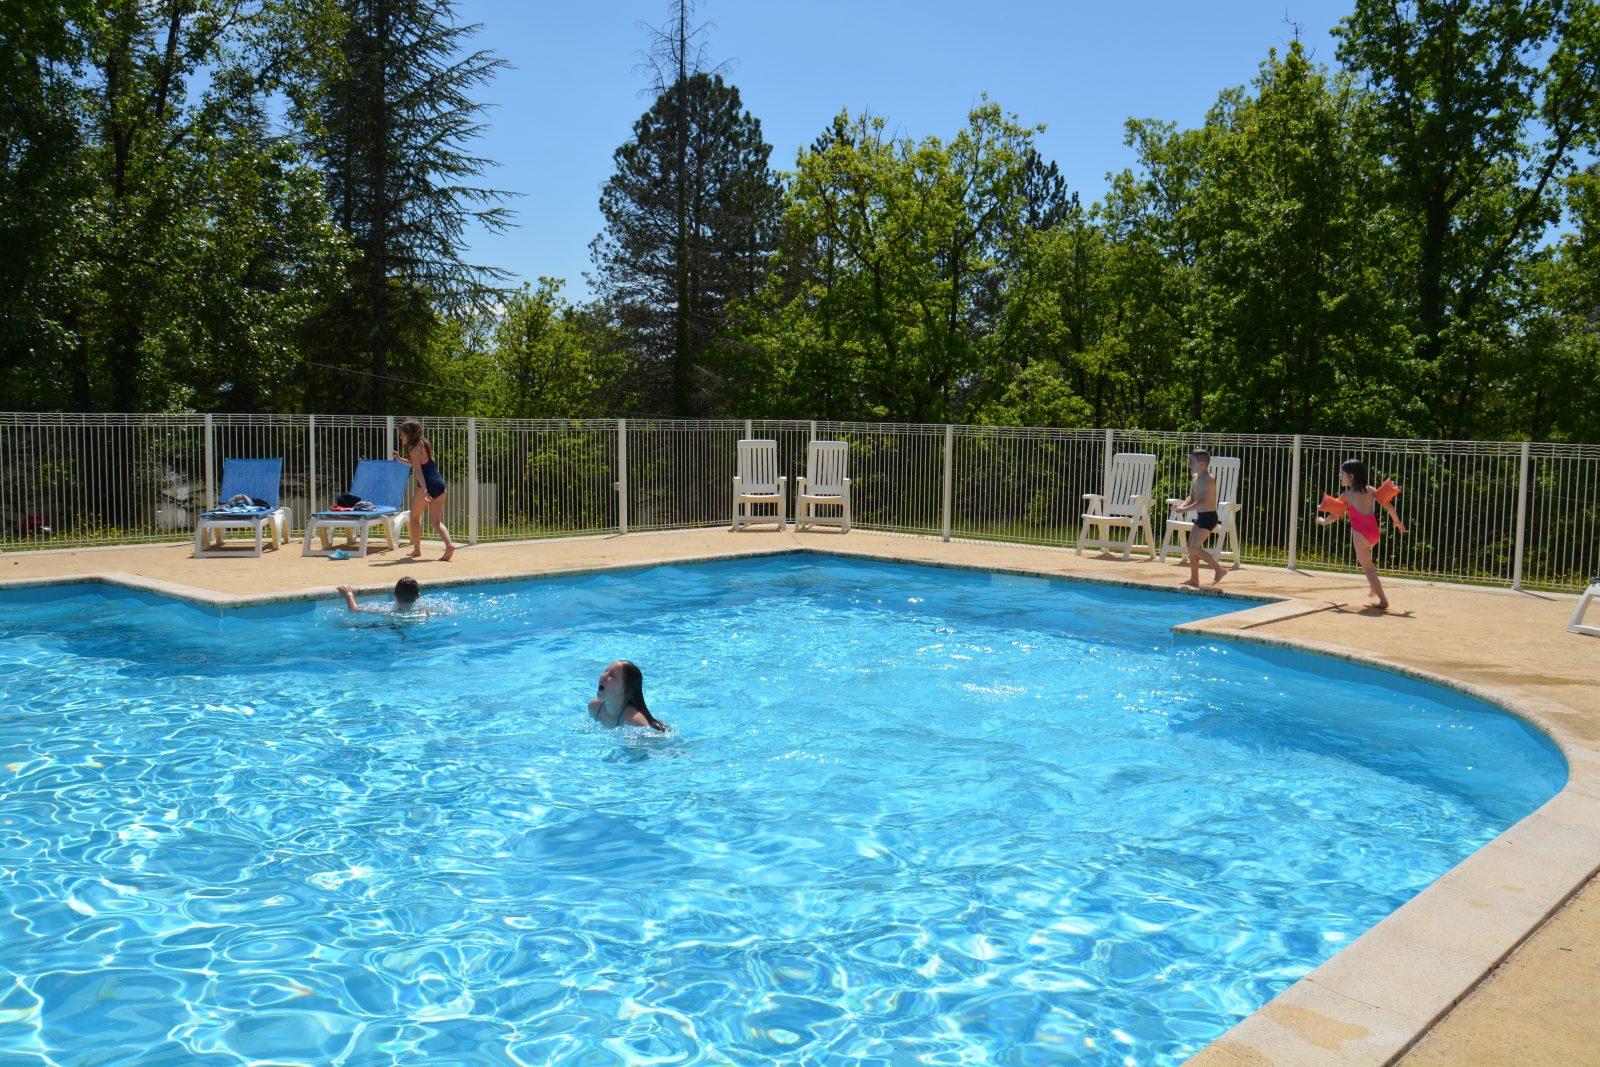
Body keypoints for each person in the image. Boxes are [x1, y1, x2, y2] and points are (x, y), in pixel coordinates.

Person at [1317, 458, 1406, 611]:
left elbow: (1335, 515)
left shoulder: (1346, 495)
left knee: (1368, 568)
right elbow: (1389, 506)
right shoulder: (1371, 490)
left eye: (1342, 474)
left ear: (1351, 477)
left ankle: (1383, 599)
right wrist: (1397, 522)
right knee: (1367, 564)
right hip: (1374, 534)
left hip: (1360, 534)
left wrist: (1323, 521)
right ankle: (1373, 589)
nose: (1339, 476)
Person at [392, 418, 456, 562]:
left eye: (403, 434)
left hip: (427, 486)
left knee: (413, 517)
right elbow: (421, 463)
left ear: (409, 434)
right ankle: (449, 545)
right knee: (436, 522)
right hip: (440, 485)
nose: (401, 436)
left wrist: (425, 489)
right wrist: (400, 459)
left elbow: (418, 470)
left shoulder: (413, 448)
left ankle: (416, 550)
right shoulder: (424, 444)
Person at [1174, 448, 1227, 587]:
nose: (1188, 464)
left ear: (1203, 464)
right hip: (1201, 516)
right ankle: (1194, 579)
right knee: (1191, 547)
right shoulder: (1195, 477)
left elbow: (1202, 501)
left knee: (1194, 548)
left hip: (1209, 517)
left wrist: (1184, 509)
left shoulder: (1208, 480)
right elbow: (1192, 497)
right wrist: (1182, 506)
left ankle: (1219, 569)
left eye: (1191, 462)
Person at [588, 660, 669, 732]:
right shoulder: (594, 707)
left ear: (626, 690)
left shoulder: (635, 722)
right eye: (605, 671)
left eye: (612, 675)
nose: (603, 676)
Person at [336, 577, 443, 617]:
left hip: (391, 625)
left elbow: (354, 610)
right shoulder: (425, 611)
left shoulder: (386, 612)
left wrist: (348, 593)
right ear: (417, 596)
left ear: (394, 595)